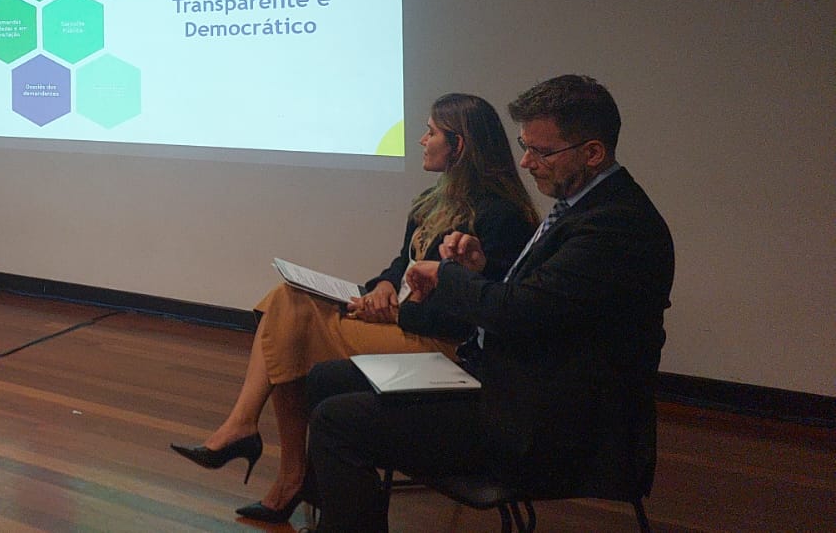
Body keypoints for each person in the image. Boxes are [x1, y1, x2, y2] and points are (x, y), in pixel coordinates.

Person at [303, 75, 675, 533]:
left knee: (337, 422)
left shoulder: (616, 227)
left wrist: (449, 275)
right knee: (326, 379)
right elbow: (536, 303)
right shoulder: (583, 208)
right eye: (524, 146)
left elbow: (514, 314)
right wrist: (476, 269)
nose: (526, 161)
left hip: (550, 424)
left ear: (593, 152)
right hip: (510, 385)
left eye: (541, 151)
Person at [170, 93, 537, 525]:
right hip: (408, 327)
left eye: (431, 133)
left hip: (444, 348)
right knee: (286, 305)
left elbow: (473, 314)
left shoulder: (501, 216)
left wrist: (395, 313)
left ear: (459, 145)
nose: (422, 140)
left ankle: (265, 451)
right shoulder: (432, 200)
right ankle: (267, 452)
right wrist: (382, 286)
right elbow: (403, 264)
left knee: (287, 321)